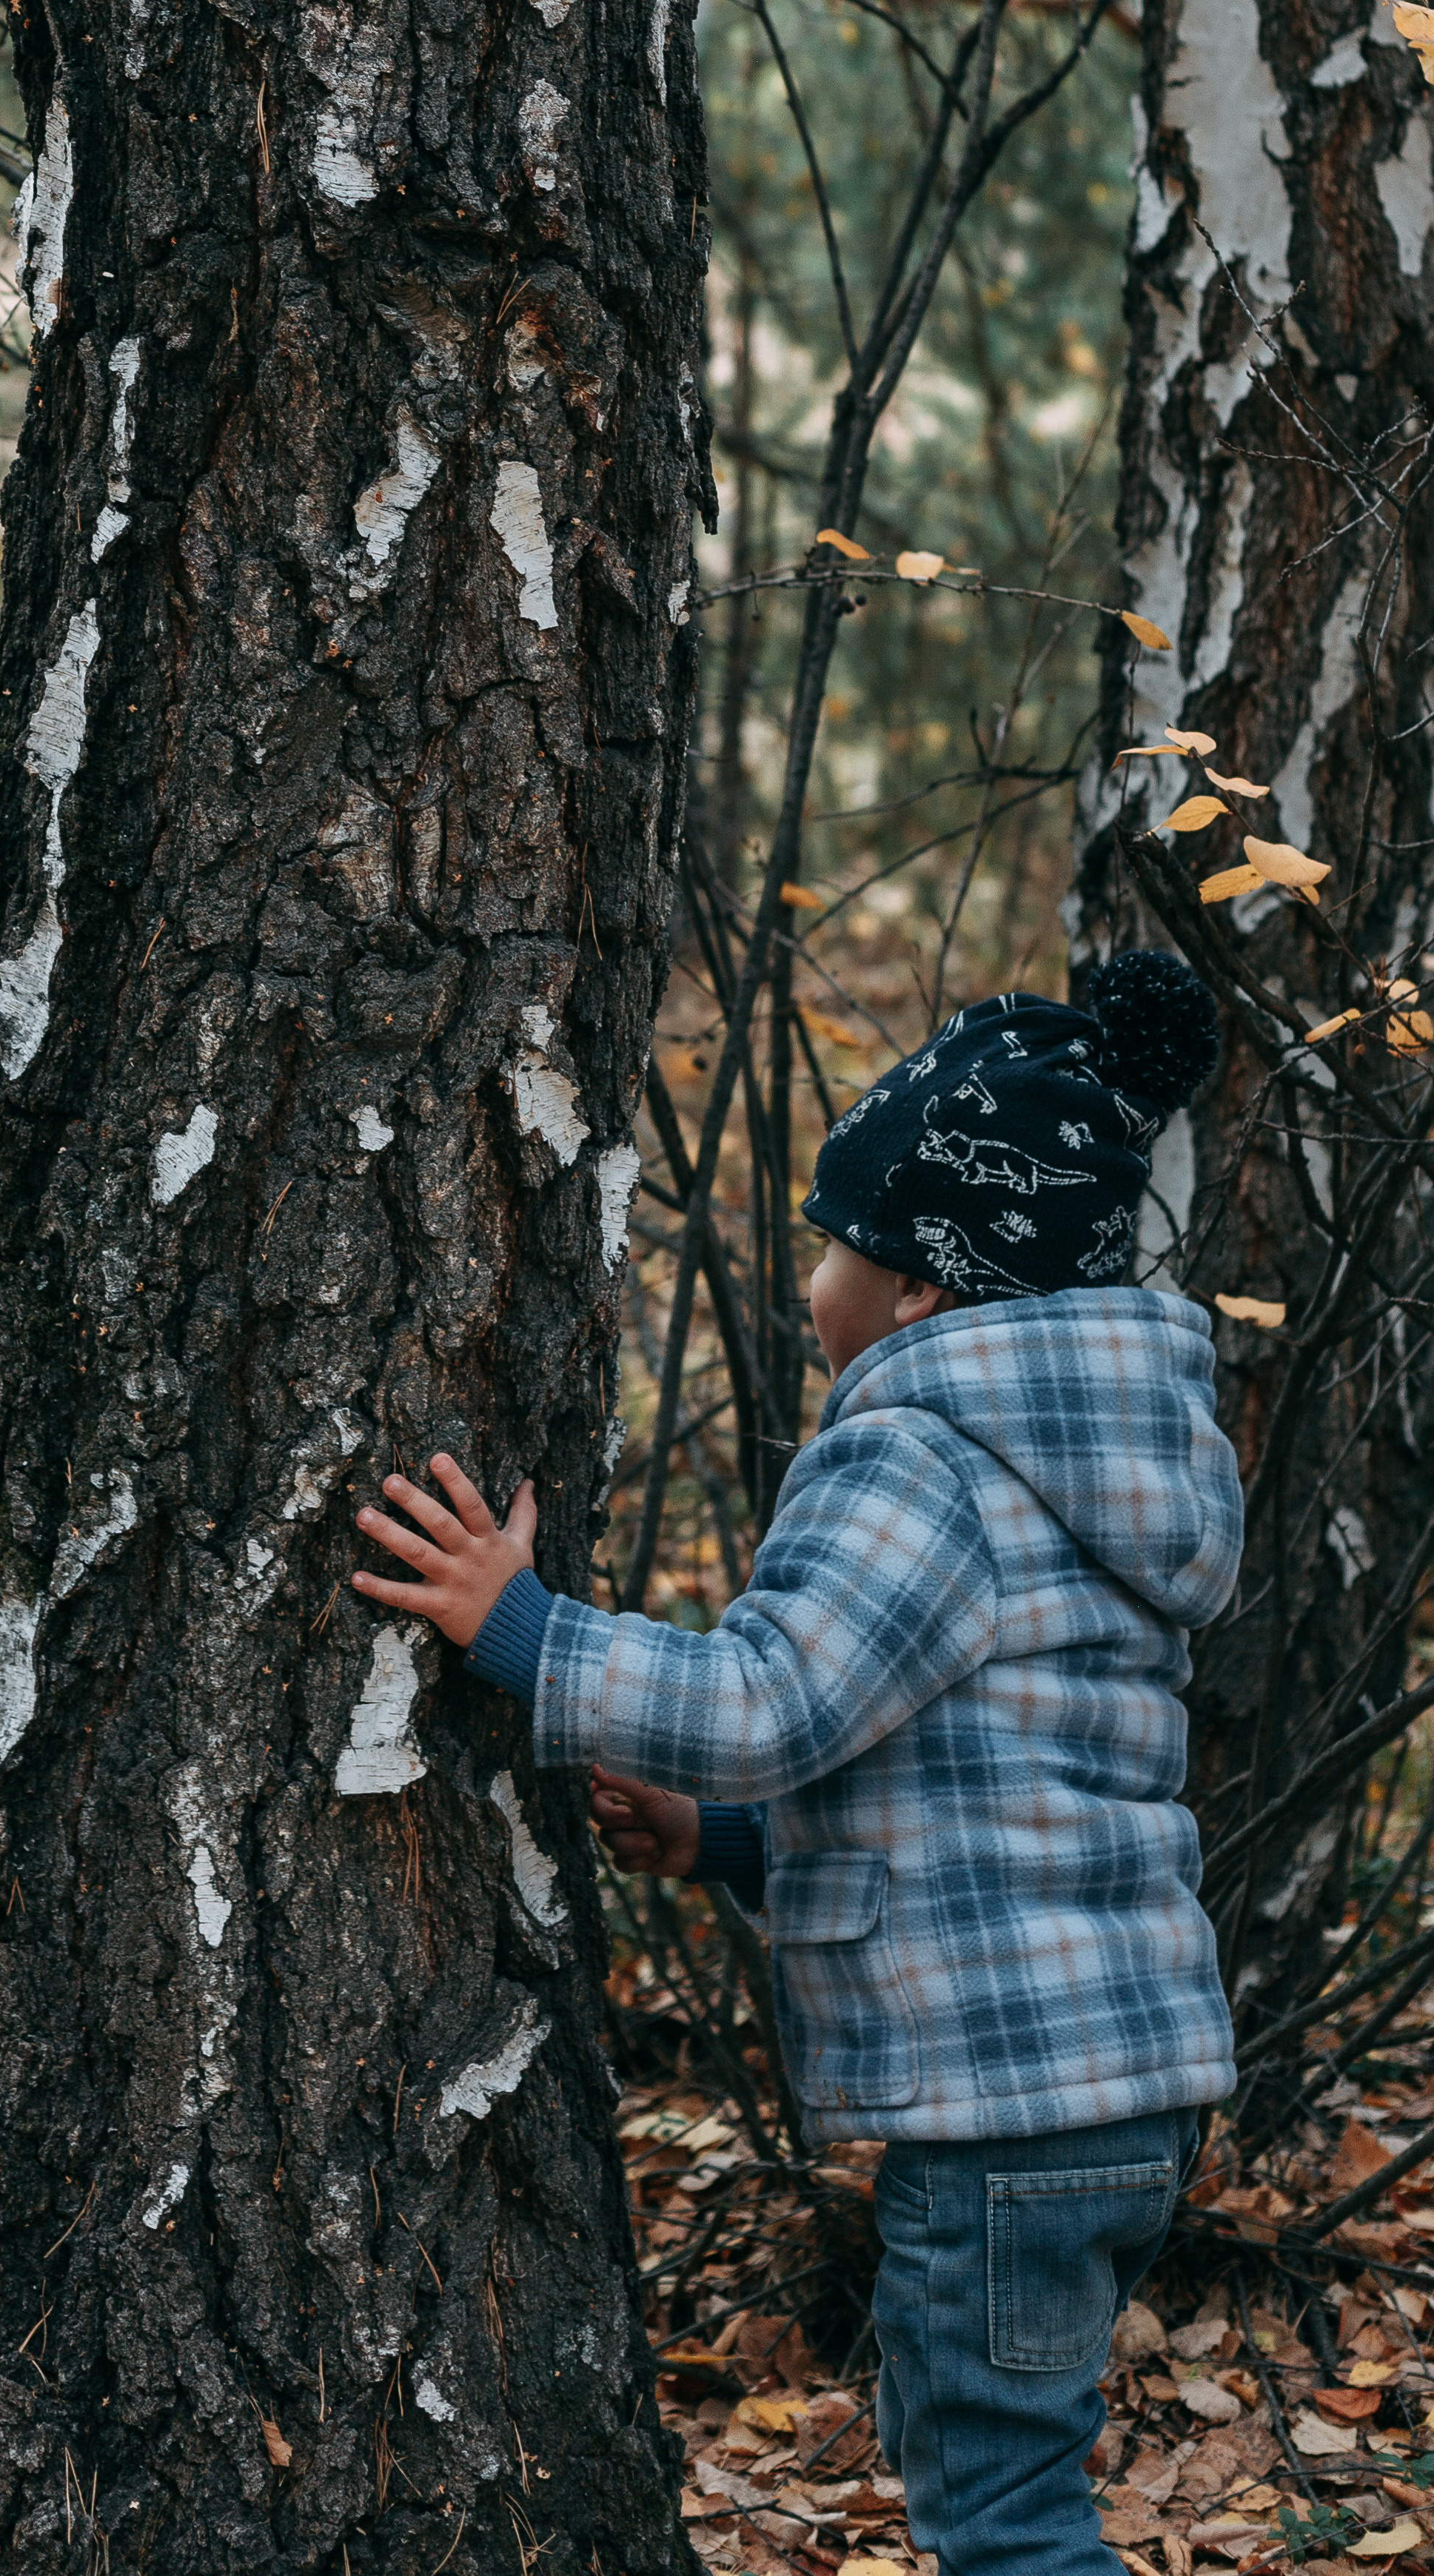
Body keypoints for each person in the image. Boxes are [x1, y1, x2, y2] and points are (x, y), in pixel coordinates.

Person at [352, 950, 1242, 2576]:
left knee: (999, 2514)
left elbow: (768, 1699)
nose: (808, 1278)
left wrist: (521, 1628)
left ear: (918, 1286)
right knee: (999, 2470)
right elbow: (982, 1796)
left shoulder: (921, 1453)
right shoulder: (1100, 1465)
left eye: (837, 1243)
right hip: (1108, 2089)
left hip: (1003, 2112)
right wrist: (723, 1841)